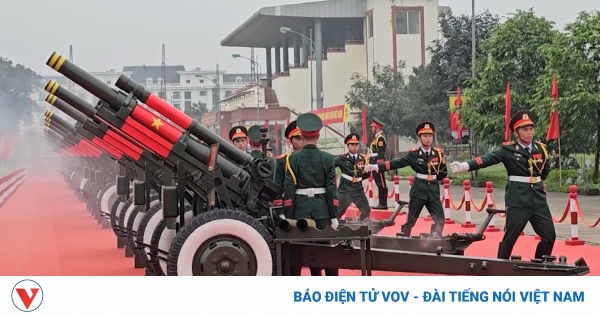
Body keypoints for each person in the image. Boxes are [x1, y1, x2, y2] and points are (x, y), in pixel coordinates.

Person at [449, 110, 556, 260]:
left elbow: (545, 170)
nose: (529, 132)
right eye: (524, 129)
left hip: (538, 199)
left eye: (531, 128)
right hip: (518, 199)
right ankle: (499, 267)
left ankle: (540, 264)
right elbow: (487, 159)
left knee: (549, 236)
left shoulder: (541, 149)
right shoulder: (508, 150)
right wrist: (465, 165)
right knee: (510, 238)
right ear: (516, 132)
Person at [365, 121, 446, 237]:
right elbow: (397, 163)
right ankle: (404, 238)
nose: (428, 139)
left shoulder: (438, 154)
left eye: (430, 136)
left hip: (433, 190)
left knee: (440, 219)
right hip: (419, 189)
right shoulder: (414, 154)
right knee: (411, 220)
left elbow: (443, 172)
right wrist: (377, 167)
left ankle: (434, 239)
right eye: (425, 136)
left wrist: (433, 179)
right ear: (419, 138)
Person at [283, 113, 339, 276]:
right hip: (322, 212)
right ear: (318, 135)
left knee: (298, 255)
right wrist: (333, 216)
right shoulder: (328, 159)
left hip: (300, 214)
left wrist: (288, 216)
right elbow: (331, 189)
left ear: (300, 135)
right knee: (327, 254)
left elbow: (289, 190)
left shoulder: (292, 159)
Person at [335, 133, 371, 221]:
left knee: (366, 211)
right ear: (348, 146)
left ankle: (360, 227)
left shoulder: (363, 158)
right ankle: (334, 229)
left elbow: (365, 173)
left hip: (358, 189)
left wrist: (368, 171)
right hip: (345, 189)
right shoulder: (342, 158)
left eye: (356, 144)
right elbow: (329, 166)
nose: (354, 146)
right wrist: (333, 174)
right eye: (352, 144)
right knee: (338, 212)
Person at [273, 120, 303, 206]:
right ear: (290, 141)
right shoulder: (282, 161)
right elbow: (277, 187)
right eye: (297, 138)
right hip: (291, 203)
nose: (301, 142)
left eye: (303, 138)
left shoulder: (317, 157)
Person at [369, 118, 388, 209]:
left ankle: (383, 203)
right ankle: (381, 203)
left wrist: (378, 165)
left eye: (372, 127)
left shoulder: (380, 138)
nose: (371, 129)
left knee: (381, 183)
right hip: (373, 162)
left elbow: (380, 153)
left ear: (376, 127)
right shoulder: (376, 138)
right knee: (378, 183)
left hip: (377, 163)